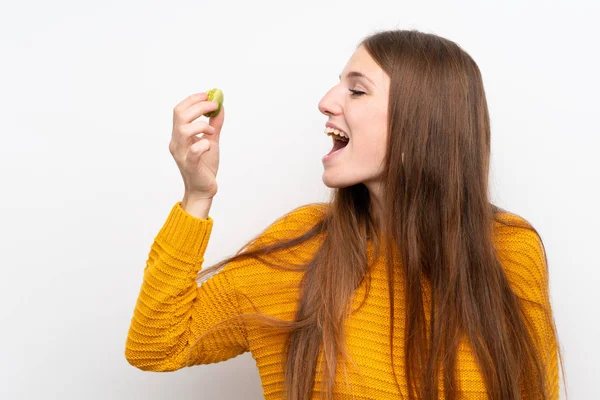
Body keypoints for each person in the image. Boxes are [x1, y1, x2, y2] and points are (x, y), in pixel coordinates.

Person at [125, 29, 565, 400]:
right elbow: (157, 344)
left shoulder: (510, 249)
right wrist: (197, 195)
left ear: (422, 123)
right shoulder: (300, 247)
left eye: (356, 90)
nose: (326, 101)